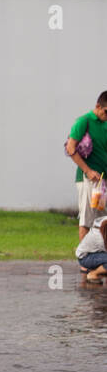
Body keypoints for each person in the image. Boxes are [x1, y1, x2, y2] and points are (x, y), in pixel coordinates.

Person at [66, 93, 107, 240]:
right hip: (89, 179)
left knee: (103, 221)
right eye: (106, 111)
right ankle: (84, 259)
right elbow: (70, 148)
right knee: (87, 220)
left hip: (103, 181)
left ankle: (100, 259)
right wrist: (88, 170)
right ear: (98, 106)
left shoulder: (105, 124)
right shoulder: (84, 121)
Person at [77, 216, 107, 284]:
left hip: (97, 253)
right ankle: (93, 274)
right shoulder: (100, 237)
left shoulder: (103, 225)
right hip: (86, 257)